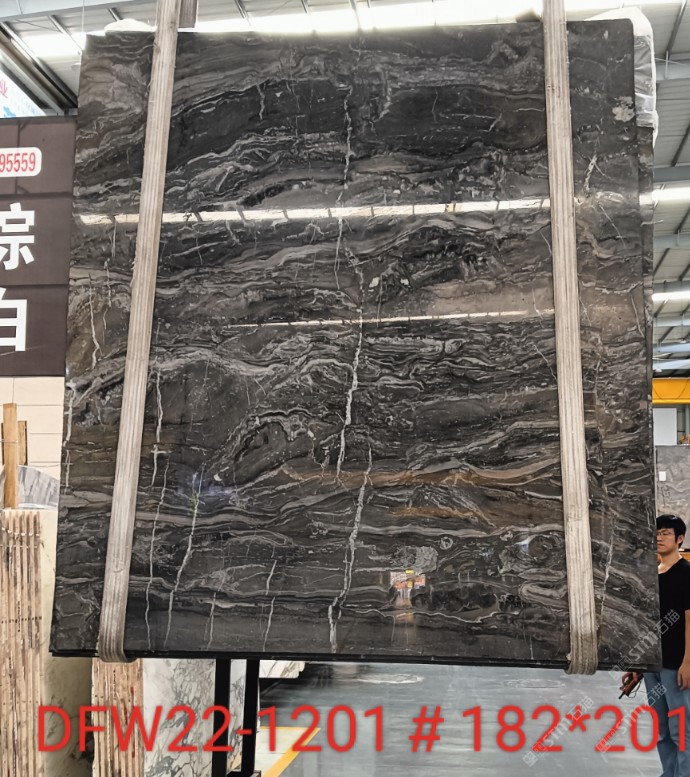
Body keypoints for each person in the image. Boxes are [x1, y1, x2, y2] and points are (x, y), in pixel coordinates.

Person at [622, 514, 690, 776]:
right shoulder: (650, 576)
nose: (660, 538)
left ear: (680, 539)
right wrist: (638, 664)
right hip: (652, 665)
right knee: (662, 728)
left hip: (676, 665)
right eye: (657, 533)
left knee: (681, 729)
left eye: (666, 533)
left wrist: (687, 662)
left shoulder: (686, 573)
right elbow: (645, 622)